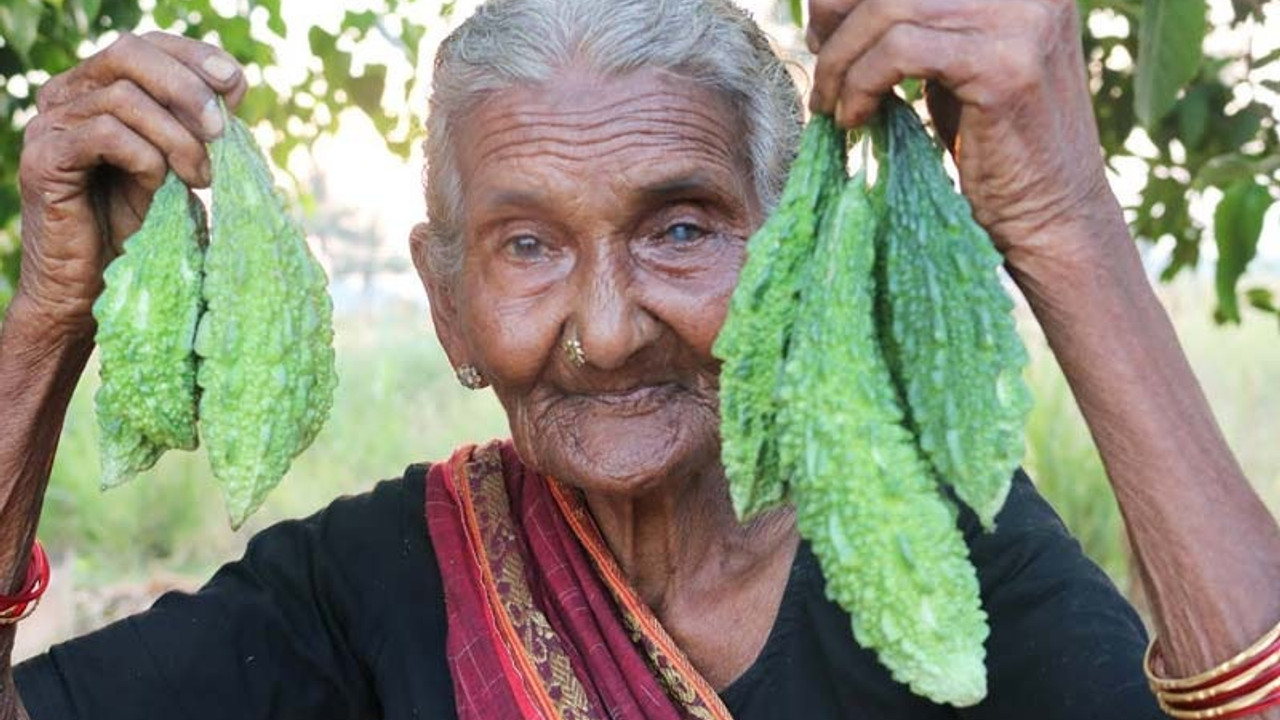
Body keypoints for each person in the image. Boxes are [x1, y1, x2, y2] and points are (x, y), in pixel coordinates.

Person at [2, 0, 1278, 717]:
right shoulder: (368, 585)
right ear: (446, 307)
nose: (606, 330)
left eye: (679, 229)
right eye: (524, 245)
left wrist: (1061, 222)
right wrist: (51, 319)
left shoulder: (945, 558)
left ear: (789, 266)